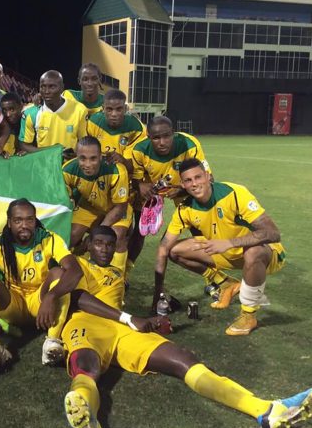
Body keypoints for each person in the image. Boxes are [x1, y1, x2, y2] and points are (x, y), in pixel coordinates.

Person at [61, 226, 312, 428]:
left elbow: (130, 235)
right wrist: (129, 318)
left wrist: (150, 320)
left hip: (123, 329)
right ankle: (87, 414)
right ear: (87, 245)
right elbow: (76, 297)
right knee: (87, 366)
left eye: (109, 244)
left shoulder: (118, 266)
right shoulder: (76, 264)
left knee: (184, 359)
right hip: (86, 324)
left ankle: (264, 409)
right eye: (98, 243)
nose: (104, 249)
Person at [154, 158, 286, 335]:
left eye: (198, 177)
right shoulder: (184, 209)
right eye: (188, 180)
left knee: (253, 252)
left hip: (265, 254)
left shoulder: (234, 193)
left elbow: (272, 233)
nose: (194, 184)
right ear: (183, 185)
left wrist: (229, 243)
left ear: (208, 177)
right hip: (224, 253)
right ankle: (225, 284)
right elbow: (163, 249)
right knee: (175, 251)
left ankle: (249, 315)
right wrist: (157, 297)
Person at [0, 199, 83, 372]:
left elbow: (75, 271)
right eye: (18, 220)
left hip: (41, 305)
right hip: (12, 305)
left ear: (35, 220)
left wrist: (51, 296)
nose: (24, 225)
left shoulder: (49, 239)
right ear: (9, 223)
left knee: (61, 275)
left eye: (29, 220)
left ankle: (52, 342)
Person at [129, 116, 227, 291]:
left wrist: (183, 190)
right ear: (148, 137)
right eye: (156, 138)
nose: (162, 142)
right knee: (139, 230)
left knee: (199, 231)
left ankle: (215, 278)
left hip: (184, 188)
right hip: (152, 190)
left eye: (167, 136)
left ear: (173, 133)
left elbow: (208, 179)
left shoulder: (189, 144)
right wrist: (141, 185)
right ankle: (125, 274)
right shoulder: (139, 150)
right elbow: (135, 179)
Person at [62, 137, 130, 269]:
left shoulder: (117, 170)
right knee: (69, 235)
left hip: (116, 208)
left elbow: (121, 206)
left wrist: (97, 233)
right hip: (88, 206)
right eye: (82, 158)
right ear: (76, 156)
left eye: (93, 158)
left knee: (116, 235)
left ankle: (118, 277)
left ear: (100, 156)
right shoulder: (67, 170)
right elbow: (64, 201)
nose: (87, 164)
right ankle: (68, 272)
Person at [19, 70, 88, 158]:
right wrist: (55, 153)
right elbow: (24, 145)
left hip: (69, 166)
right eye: (43, 87)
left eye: (52, 87)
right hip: (44, 165)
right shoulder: (30, 113)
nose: (46, 91)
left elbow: (84, 142)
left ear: (62, 87)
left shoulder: (79, 110)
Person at [85, 88, 146, 172]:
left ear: (125, 108)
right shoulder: (93, 122)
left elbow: (135, 167)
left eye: (119, 109)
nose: (114, 114)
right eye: (109, 109)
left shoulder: (137, 129)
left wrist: (123, 161)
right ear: (103, 108)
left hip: (123, 175)